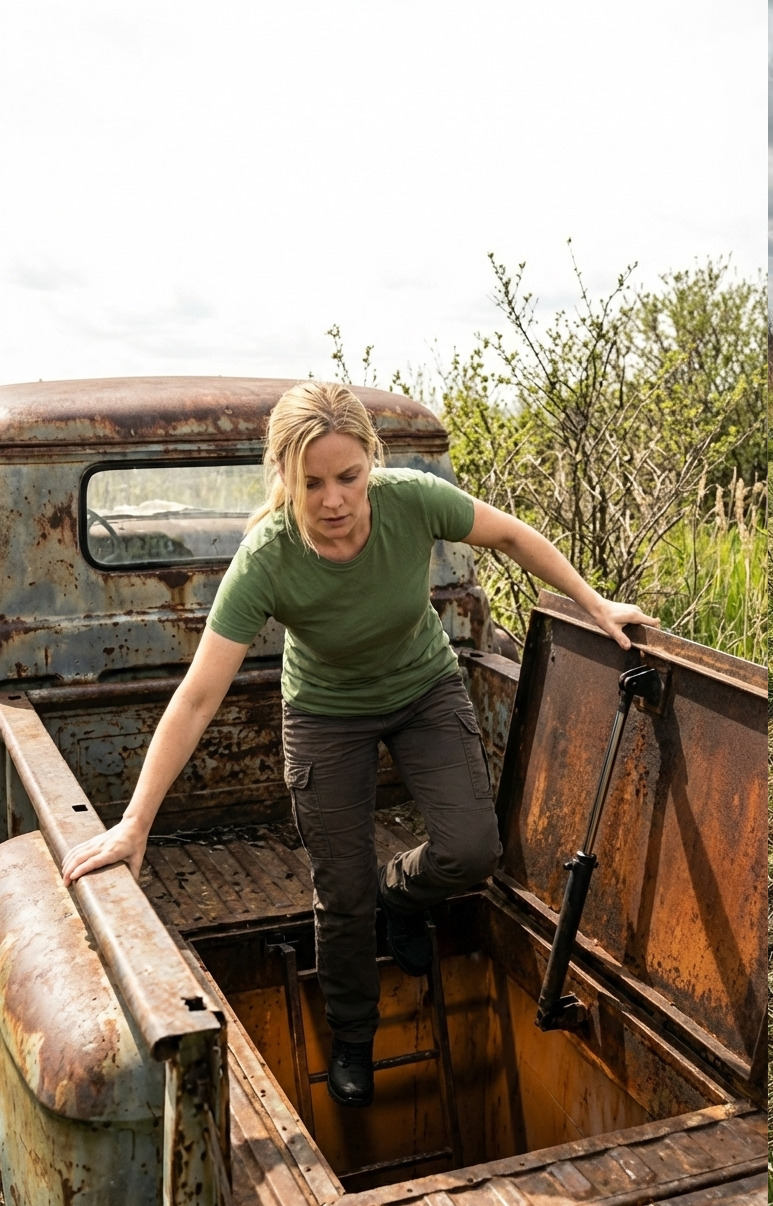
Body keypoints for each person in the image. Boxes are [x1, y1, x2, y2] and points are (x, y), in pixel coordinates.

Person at [61, 380, 657, 1107]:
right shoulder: (267, 559)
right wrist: (135, 823)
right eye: (311, 482)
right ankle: (352, 1034)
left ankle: (400, 897)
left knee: (471, 849)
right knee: (339, 893)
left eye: (348, 477)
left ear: (370, 464)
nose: (334, 499)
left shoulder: (410, 501)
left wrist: (593, 604)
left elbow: (511, 535)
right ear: (283, 476)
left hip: (423, 690)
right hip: (324, 714)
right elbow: (197, 695)